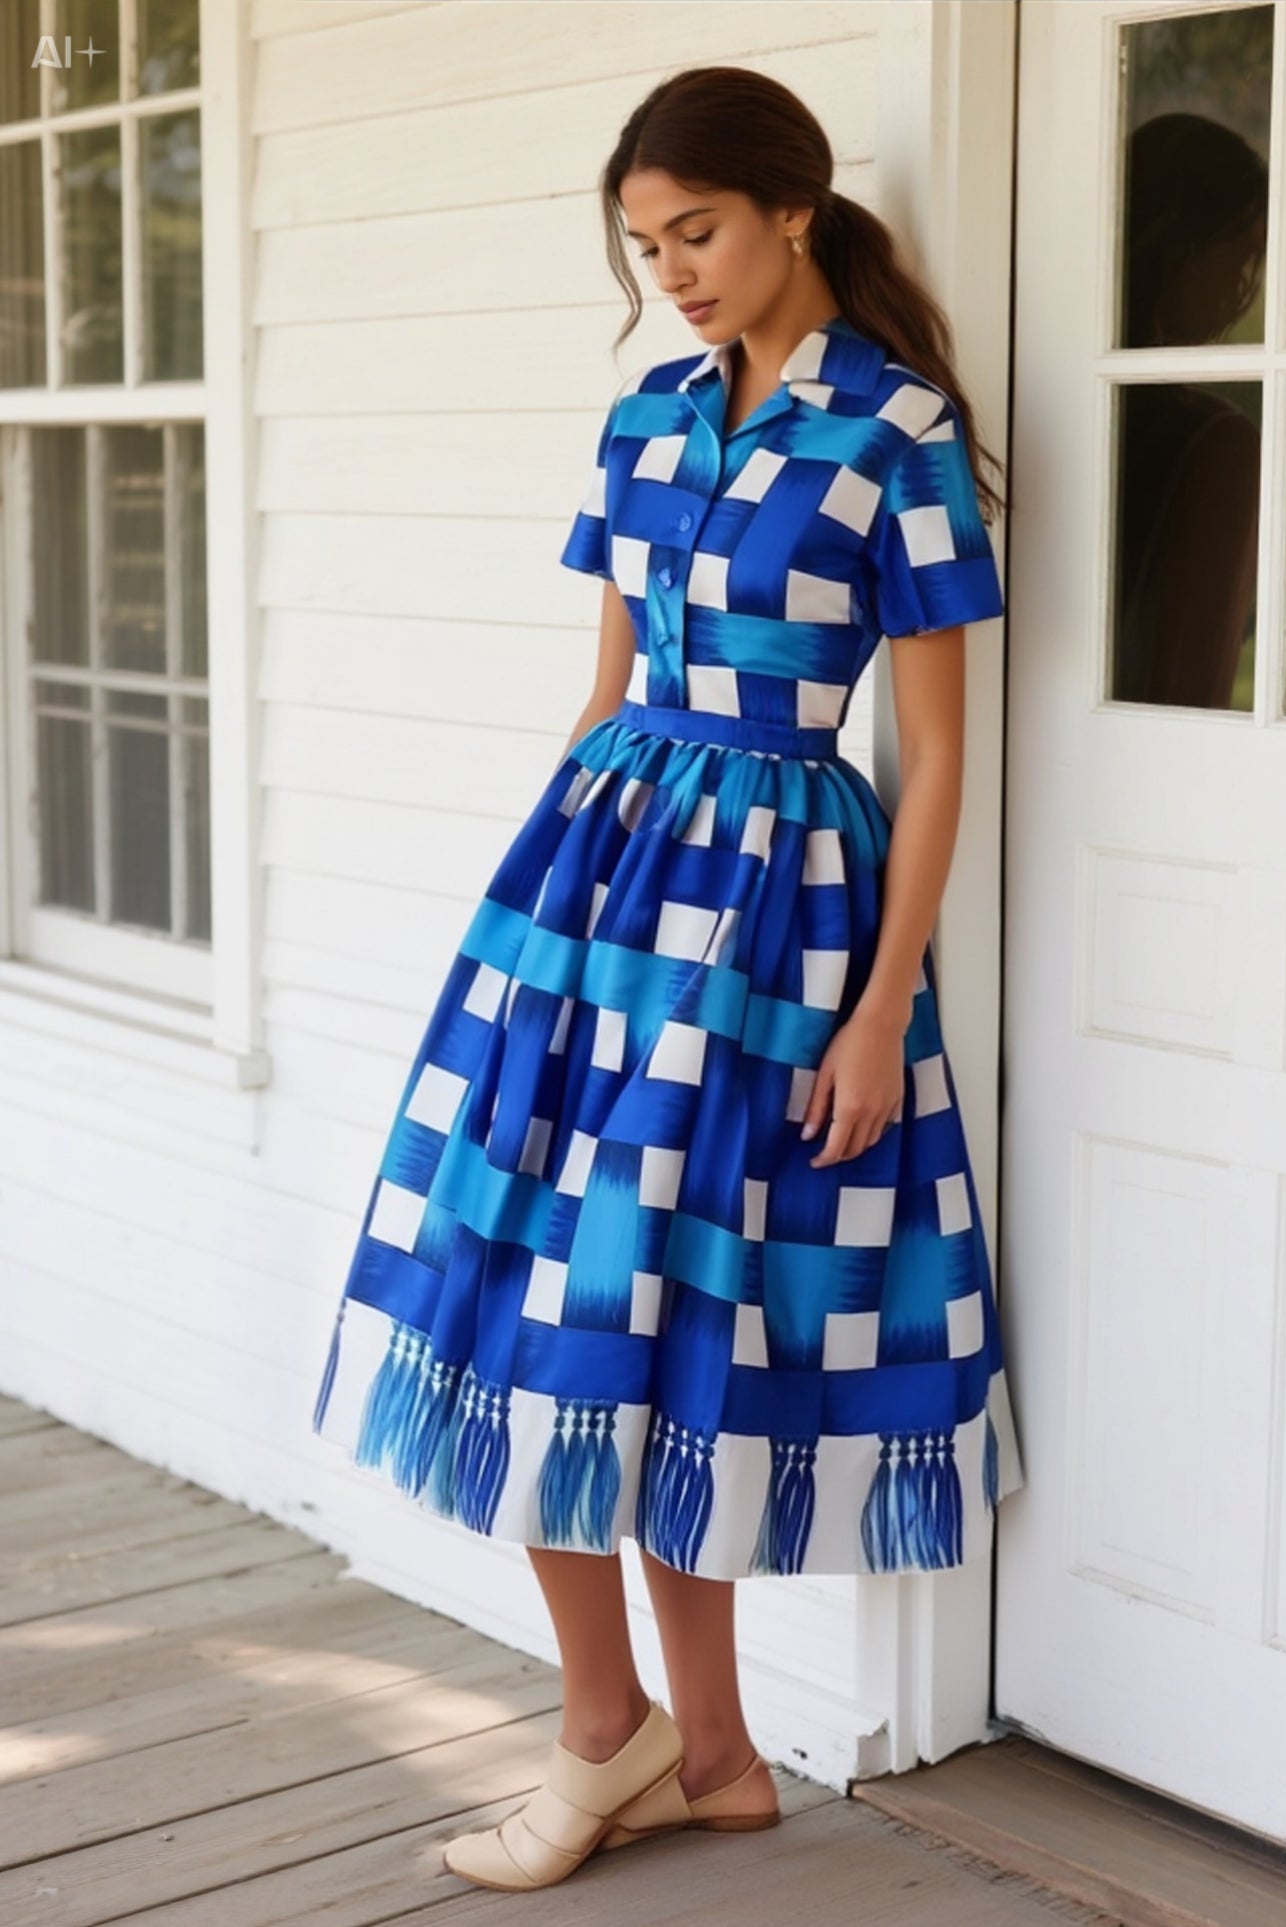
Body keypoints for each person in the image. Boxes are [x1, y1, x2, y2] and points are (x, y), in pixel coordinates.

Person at [310, 64, 1024, 1895]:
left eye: (694, 232)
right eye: (646, 246)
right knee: (550, 1302)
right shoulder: (641, 419)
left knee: (660, 1321)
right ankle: (672, 1745)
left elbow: (931, 755)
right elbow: (607, 686)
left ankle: (643, 1744)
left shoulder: (900, 436)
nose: (674, 273)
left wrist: (877, 1008)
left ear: (793, 209)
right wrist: (533, 930)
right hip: (593, 894)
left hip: (783, 915)